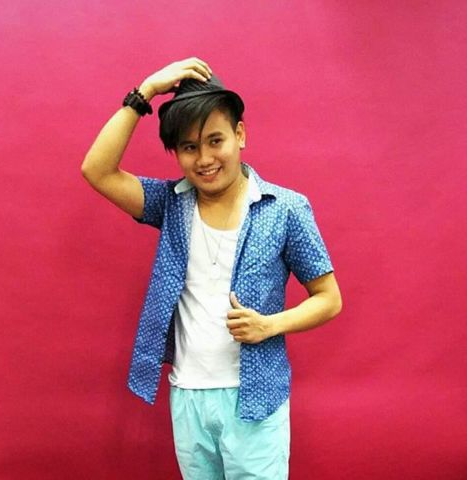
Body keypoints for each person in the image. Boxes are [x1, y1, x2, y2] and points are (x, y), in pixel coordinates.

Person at [81, 57, 342, 480]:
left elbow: (329, 299)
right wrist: (146, 91)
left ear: (240, 134)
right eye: (189, 147)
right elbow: (97, 170)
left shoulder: (285, 209)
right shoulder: (170, 204)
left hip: (256, 396)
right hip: (188, 395)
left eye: (215, 140)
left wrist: (269, 325)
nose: (204, 158)